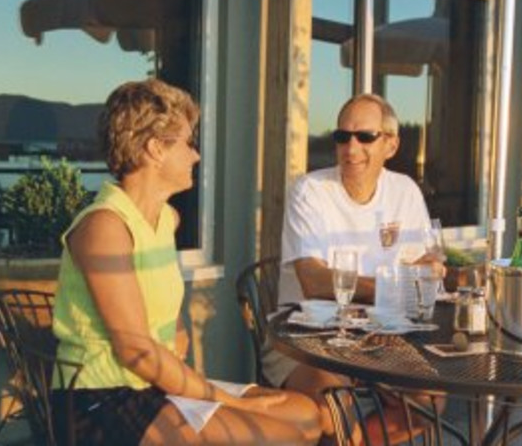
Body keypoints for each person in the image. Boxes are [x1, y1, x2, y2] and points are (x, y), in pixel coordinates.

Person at [50, 79, 321, 446]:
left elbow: (167, 325)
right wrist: (222, 400)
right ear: (154, 149)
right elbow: (137, 352)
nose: (195, 155)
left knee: (306, 416)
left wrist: (185, 365)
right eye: (187, 143)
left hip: (158, 384)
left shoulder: (166, 220)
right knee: (281, 436)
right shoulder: (105, 227)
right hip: (106, 398)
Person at [263, 93, 444, 442]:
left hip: (380, 337)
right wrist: (394, 287)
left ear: (390, 145)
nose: (351, 147)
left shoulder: (404, 191)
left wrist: (429, 271)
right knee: (337, 406)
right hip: (305, 338)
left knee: (429, 401)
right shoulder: (310, 190)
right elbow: (314, 281)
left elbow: (423, 268)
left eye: (365, 137)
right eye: (342, 136)